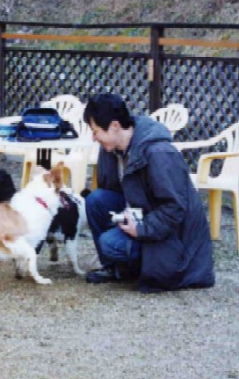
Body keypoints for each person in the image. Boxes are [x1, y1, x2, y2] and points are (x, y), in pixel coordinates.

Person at [82, 93, 215, 293]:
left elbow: (175, 208)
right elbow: (111, 192)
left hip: (175, 239)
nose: (94, 138)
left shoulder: (159, 152)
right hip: (143, 214)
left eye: (95, 131)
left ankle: (144, 267)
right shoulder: (111, 149)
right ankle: (117, 269)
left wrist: (140, 229)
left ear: (115, 126)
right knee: (96, 200)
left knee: (109, 244)